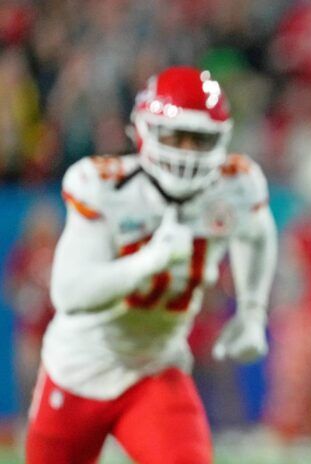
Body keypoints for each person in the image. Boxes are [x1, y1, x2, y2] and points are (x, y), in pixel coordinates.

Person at [25, 66, 277, 463]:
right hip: (78, 369)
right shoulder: (106, 187)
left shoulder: (235, 185)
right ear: (145, 130)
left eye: (200, 139)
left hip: (155, 369)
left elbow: (258, 232)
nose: (187, 151)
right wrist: (148, 263)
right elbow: (69, 292)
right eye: (177, 136)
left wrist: (251, 310)